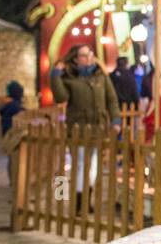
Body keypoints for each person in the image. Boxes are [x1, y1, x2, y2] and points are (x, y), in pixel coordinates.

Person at [49, 44, 119, 204]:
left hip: (98, 126)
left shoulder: (101, 75)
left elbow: (111, 99)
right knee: (81, 163)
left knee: (93, 164)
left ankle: (87, 197)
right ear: (75, 59)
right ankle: (81, 201)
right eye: (84, 55)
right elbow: (61, 98)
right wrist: (56, 75)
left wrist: (115, 120)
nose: (88, 57)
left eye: (90, 54)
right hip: (78, 127)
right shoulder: (69, 77)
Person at [0, 80, 26, 186]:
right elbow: (23, 114)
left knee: (11, 159)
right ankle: (14, 181)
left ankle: (12, 181)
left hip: (7, 134)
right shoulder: (15, 106)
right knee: (15, 159)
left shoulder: (7, 105)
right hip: (13, 134)